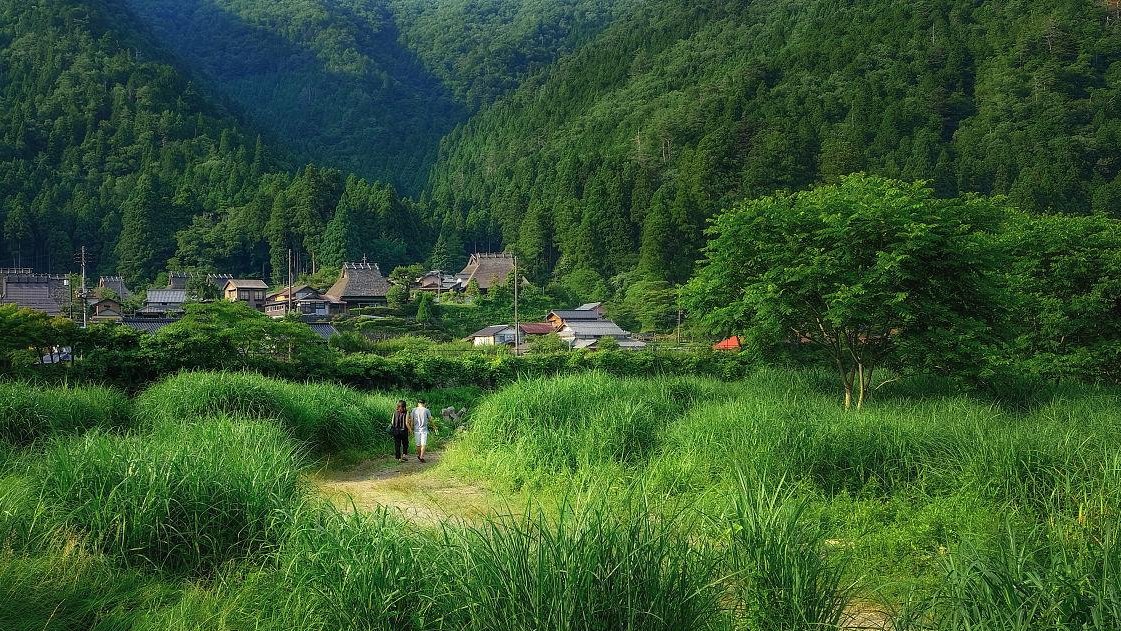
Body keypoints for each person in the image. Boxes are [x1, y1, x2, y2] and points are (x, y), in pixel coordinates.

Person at [411, 399, 436, 463]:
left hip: (416, 430)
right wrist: (434, 426)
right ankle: (421, 457)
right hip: (424, 430)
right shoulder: (426, 410)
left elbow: (412, 420)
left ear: (418, 403)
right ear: (424, 403)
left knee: (418, 444)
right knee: (423, 444)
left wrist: (411, 428)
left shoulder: (414, 410)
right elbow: (430, 420)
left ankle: (419, 455)